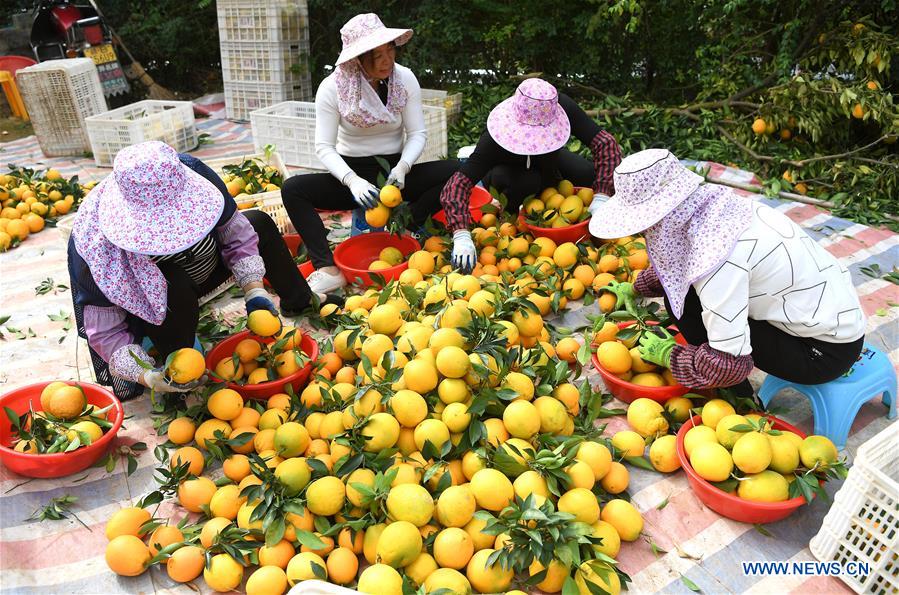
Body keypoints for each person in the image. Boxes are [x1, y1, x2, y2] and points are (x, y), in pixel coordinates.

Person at [591, 148, 866, 396]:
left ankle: (734, 397)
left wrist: (670, 356)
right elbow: (683, 262)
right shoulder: (720, 210)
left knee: (685, 308)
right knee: (685, 298)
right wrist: (638, 286)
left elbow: (727, 362)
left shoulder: (718, 260)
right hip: (833, 320)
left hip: (823, 352)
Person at [68, 141, 324, 401]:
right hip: (160, 303)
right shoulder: (95, 245)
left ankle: (299, 300)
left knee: (258, 222)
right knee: (187, 362)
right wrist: (146, 376)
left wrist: (254, 289)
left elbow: (236, 232)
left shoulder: (194, 172)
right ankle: (166, 344)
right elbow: (106, 332)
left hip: (206, 265)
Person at [281, 13, 458, 294]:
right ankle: (326, 268)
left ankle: (410, 221)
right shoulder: (333, 88)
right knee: (293, 189)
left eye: (390, 50)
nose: (386, 61)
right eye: (376, 55)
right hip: (352, 176)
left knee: (459, 170)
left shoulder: (404, 79)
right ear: (357, 59)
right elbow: (324, 146)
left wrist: (403, 167)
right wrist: (352, 181)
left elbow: (417, 133)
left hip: (395, 175)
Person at [439, 78, 622, 272]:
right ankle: (513, 214)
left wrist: (602, 195)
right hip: (508, 175)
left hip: (549, 162)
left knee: (585, 173)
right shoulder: (493, 140)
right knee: (528, 182)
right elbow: (455, 187)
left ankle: (560, 199)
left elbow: (605, 144)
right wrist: (461, 235)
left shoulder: (557, 106)